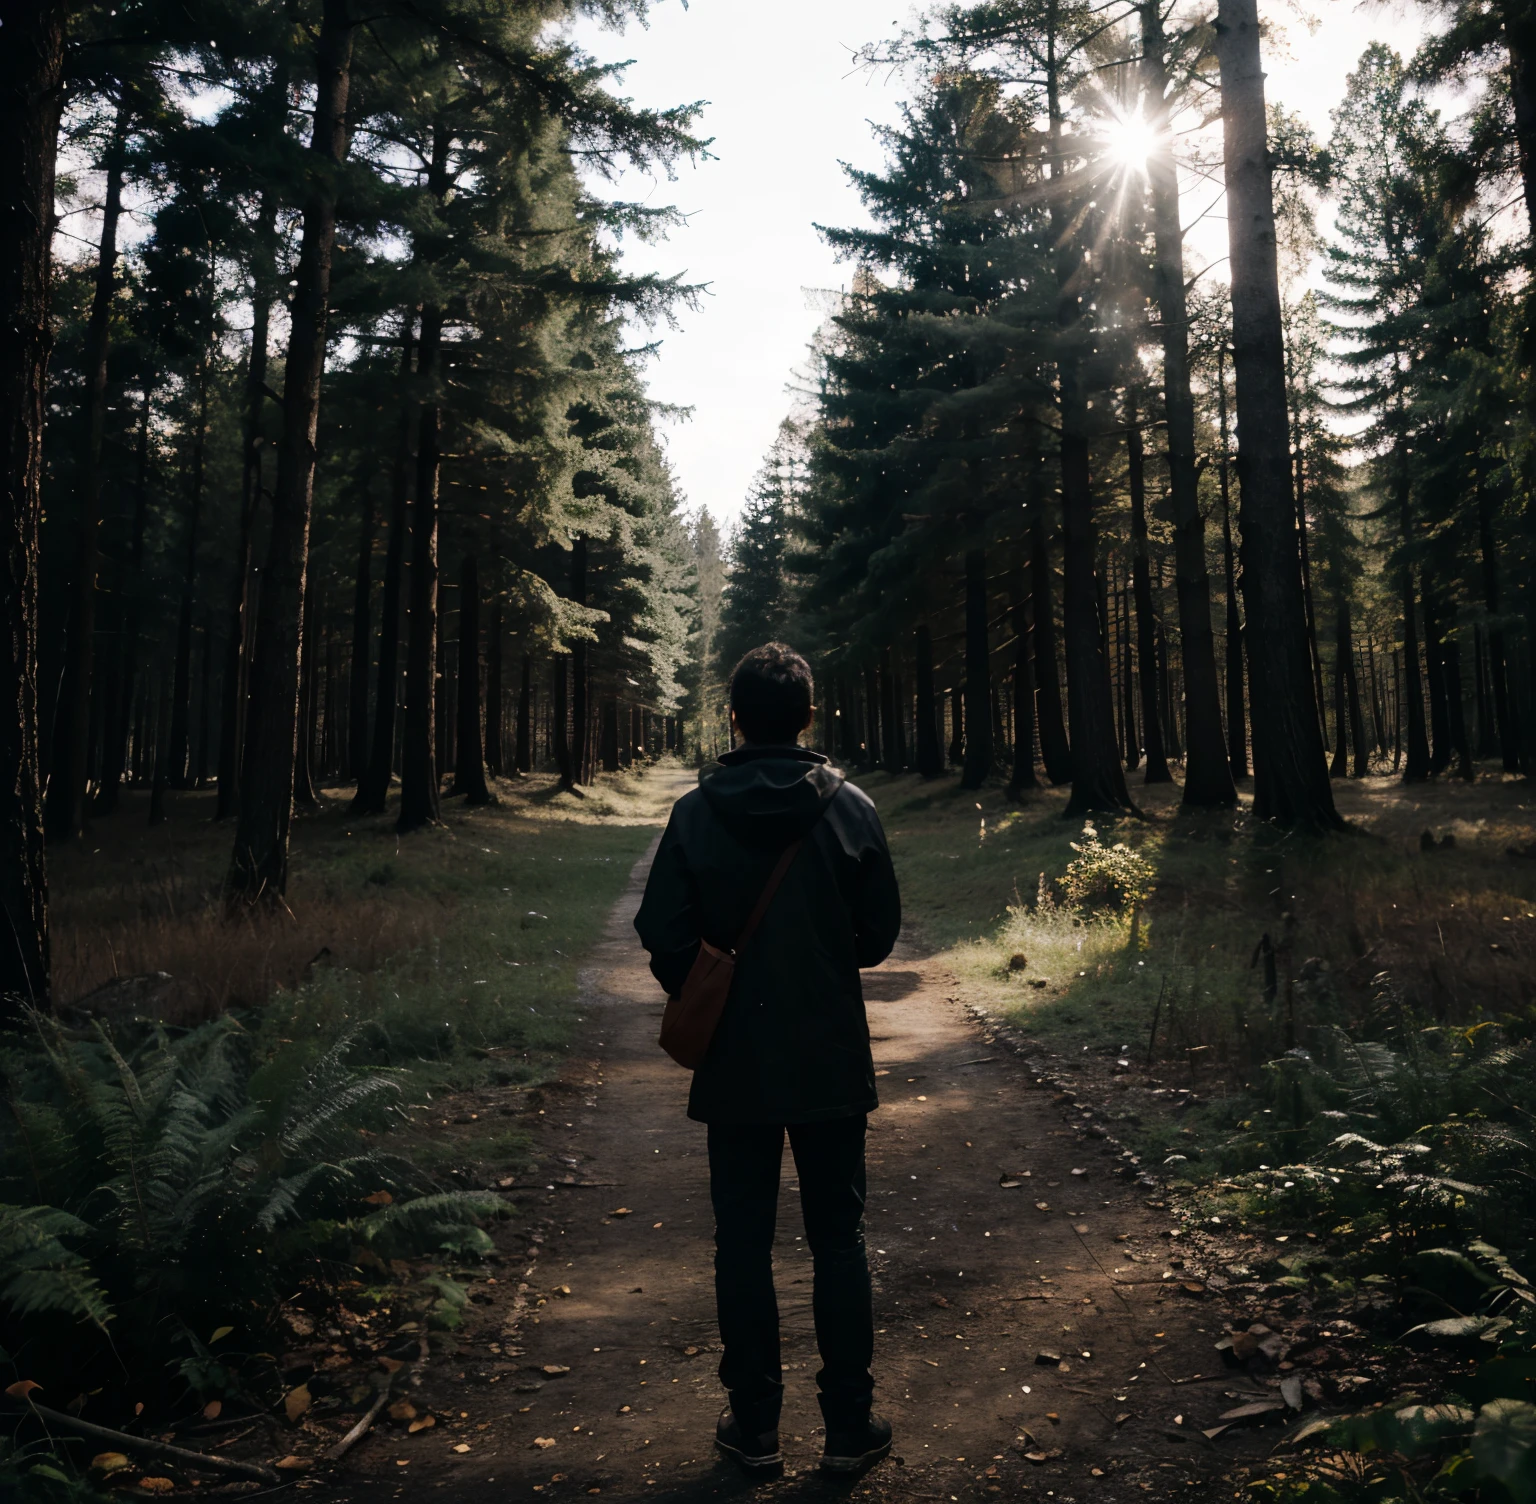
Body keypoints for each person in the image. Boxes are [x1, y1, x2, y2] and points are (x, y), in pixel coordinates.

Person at [634, 642, 901, 1476]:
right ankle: (849, 1430)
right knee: (839, 1241)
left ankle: (753, 1431)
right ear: (809, 717)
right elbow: (880, 936)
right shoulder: (852, 809)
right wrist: (822, 963)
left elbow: (661, 932)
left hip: (735, 1061)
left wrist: (709, 982)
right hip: (828, 1057)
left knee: (741, 1245)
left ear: (736, 717)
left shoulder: (695, 811)